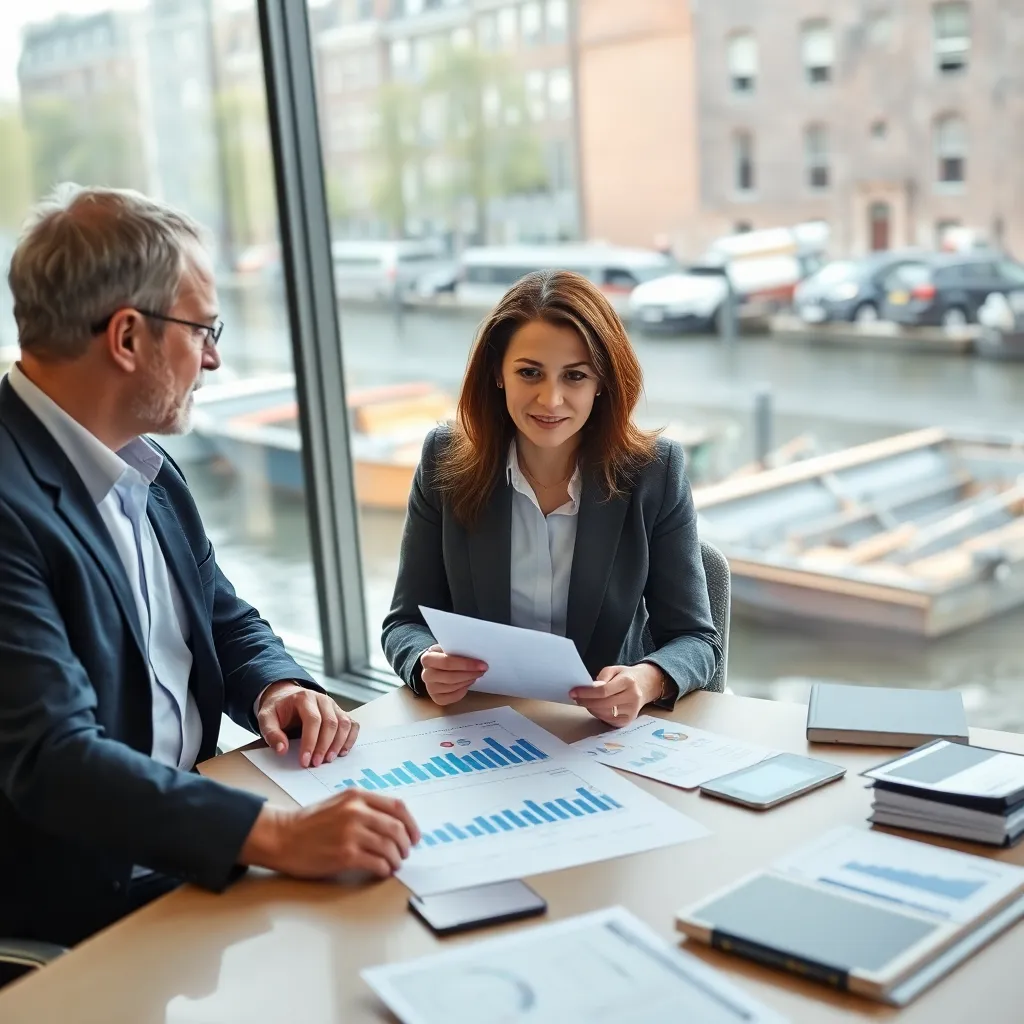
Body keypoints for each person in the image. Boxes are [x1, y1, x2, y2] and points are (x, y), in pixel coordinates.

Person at [0, 185, 419, 950]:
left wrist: (277, 683)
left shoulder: (147, 467)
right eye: (202, 329)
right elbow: (54, 761)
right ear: (127, 338)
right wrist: (279, 838)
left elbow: (222, 617)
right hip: (91, 900)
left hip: (192, 834)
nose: (216, 358)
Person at [383, 270, 721, 724]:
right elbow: (403, 623)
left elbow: (696, 640)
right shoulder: (444, 458)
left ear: (602, 382)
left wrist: (647, 679)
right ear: (498, 375)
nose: (551, 399)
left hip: (598, 733)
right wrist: (424, 663)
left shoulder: (654, 472)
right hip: (484, 726)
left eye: (575, 376)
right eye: (529, 373)